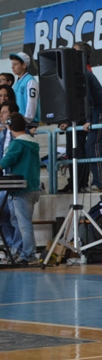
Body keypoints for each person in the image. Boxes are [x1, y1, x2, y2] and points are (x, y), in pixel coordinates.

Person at [59, 42, 102, 193]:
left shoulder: (84, 73)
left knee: (93, 146)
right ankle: (94, 182)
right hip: (93, 110)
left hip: (99, 110)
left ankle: (99, 183)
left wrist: (88, 120)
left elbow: (88, 99)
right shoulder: (76, 73)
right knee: (87, 147)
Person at [0, 112, 41, 266]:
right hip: (33, 187)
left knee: (24, 224)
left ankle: (28, 255)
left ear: (9, 126)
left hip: (22, 190)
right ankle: (26, 252)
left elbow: (7, 161)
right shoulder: (31, 142)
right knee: (23, 222)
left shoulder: (18, 143)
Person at [0, 101, 20, 261]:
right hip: (2, 180)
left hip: (13, 181)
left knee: (15, 218)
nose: (1, 115)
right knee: (2, 216)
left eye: (4, 112)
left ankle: (18, 248)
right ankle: (10, 246)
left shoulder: (20, 135)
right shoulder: (2, 134)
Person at [9, 52, 40, 126]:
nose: (12, 67)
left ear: (24, 65)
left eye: (15, 64)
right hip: (19, 122)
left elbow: (32, 102)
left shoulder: (30, 81)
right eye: (12, 64)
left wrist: (27, 120)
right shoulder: (17, 83)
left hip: (28, 123)